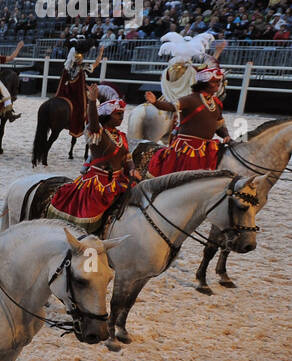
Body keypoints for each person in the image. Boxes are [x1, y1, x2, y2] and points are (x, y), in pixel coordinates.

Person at [47, 85, 139, 230]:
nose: (122, 118)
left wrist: (132, 168)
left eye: (122, 114)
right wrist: (91, 102)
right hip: (98, 184)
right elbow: (94, 123)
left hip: (118, 180)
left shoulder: (121, 136)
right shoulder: (99, 135)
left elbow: (127, 157)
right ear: (107, 116)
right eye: (118, 114)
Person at [144, 65, 231, 175]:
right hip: (188, 148)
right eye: (214, 82)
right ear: (203, 83)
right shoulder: (190, 99)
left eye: (219, 81)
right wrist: (155, 102)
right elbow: (171, 107)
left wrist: (226, 135)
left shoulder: (217, 103)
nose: (218, 84)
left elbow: (219, 125)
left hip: (207, 149)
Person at [55, 44, 105, 139]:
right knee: (96, 104)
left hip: (68, 91)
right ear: (81, 60)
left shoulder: (68, 68)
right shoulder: (84, 67)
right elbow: (96, 63)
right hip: (80, 91)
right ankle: (90, 123)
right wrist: (101, 52)